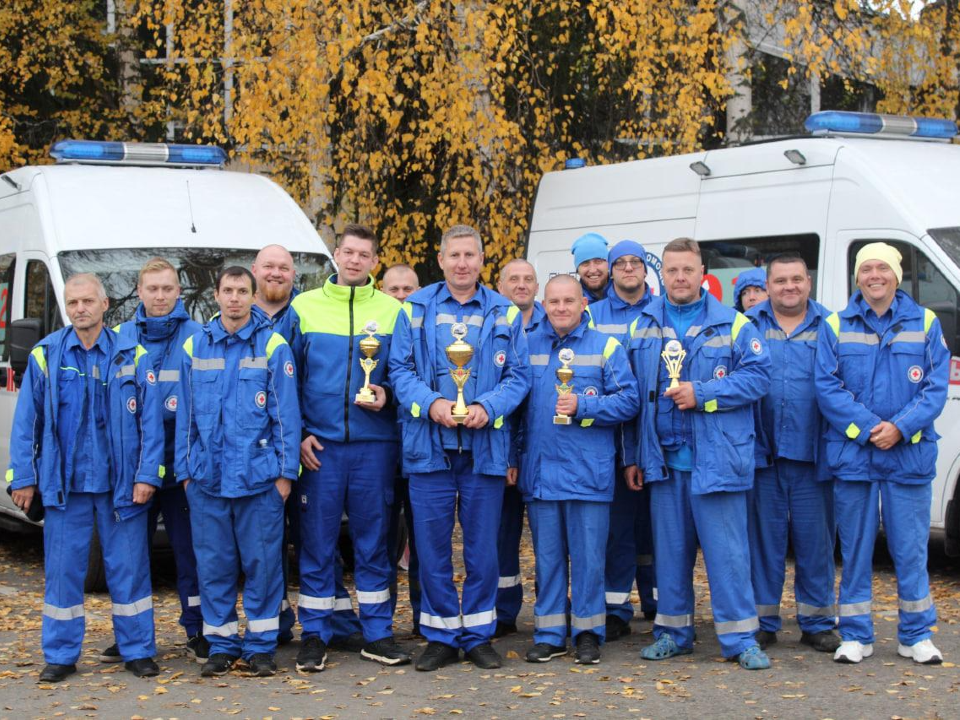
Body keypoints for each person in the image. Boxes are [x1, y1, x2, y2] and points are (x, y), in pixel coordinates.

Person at [8, 274, 164, 682]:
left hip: (122, 486)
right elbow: (27, 423)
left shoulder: (133, 354)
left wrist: (148, 475)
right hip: (65, 487)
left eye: (87, 301)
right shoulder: (47, 355)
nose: (80, 308)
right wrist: (23, 478)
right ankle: (60, 655)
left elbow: (151, 424)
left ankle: (138, 650)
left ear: (104, 303)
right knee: (63, 574)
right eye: (73, 302)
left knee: (129, 571)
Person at [389, 224, 531, 671]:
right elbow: (399, 368)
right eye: (455, 256)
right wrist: (430, 403)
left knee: (481, 548)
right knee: (430, 546)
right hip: (429, 445)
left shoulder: (505, 311)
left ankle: (478, 634)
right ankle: (440, 634)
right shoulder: (415, 308)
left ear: (482, 260)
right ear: (441, 259)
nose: (463, 263)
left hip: (485, 446)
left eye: (470, 255)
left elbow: (520, 377)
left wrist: (488, 407)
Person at [627, 237, 772, 670]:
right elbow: (634, 396)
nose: (680, 277)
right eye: (672, 270)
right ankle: (673, 633)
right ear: (663, 274)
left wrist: (704, 394)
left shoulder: (734, 324)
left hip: (718, 461)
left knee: (728, 558)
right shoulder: (644, 324)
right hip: (665, 464)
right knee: (670, 557)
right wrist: (635, 455)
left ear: (702, 271)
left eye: (688, 269)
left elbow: (759, 378)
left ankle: (740, 640)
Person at [281, 224, 409, 671]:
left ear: (375, 260)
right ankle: (315, 634)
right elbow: (284, 378)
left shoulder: (394, 312)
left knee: (374, 543)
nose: (355, 260)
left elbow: (407, 373)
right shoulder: (303, 307)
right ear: (336, 255)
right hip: (321, 448)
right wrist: (297, 435)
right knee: (316, 543)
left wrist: (388, 395)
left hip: (376, 446)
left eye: (364, 254)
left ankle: (378, 633)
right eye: (348, 252)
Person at [815, 242, 950, 665]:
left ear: (896, 274)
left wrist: (901, 428)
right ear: (857, 277)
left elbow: (935, 387)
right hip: (855, 455)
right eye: (867, 269)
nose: (875, 275)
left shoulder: (925, 322)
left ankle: (915, 635)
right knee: (855, 549)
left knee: (910, 550)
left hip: (907, 455)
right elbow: (827, 386)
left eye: (883, 268)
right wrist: (868, 430)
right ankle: (856, 635)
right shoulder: (835, 325)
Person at [175, 266, 300, 677]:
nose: (234, 298)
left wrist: (285, 475)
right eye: (227, 290)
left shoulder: (274, 344)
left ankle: (261, 645)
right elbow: (185, 419)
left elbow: (286, 417)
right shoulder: (195, 346)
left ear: (252, 295)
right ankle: (222, 645)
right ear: (216, 295)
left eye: (242, 291)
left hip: (259, 480)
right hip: (207, 480)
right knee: (213, 566)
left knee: (263, 565)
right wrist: (186, 474)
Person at [513, 275, 639, 664]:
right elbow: (516, 411)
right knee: (547, 560)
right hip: (540, 472)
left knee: (588, 560)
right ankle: (550, 633)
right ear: (544, 304)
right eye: (554, 302)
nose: (562, 308)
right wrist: (510, 459)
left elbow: (630, 400)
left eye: (569, 301)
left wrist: (585, 407)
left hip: (589, 472)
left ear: (584, 303)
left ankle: (588, 632)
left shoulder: (606, 346)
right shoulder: (526, 345)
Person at [103, 259, 207, 665]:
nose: (160, 297)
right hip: (134, 469)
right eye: (152, 289)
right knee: (129, 556)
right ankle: (129, 636)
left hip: (179, 465)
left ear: (178, 291)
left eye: (167, 289)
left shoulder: (198, 336)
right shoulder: (119, 338)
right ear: (140, 292)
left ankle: (197, 630)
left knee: (190, 552)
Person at [745, 253, 839, 653]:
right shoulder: (746, 325)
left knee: (815, 542)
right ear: (767, 286)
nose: (789, 287)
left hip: (813, 452)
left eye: (796, 279)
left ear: (808, 283)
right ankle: (763, 621)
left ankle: (817, 621)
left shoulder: (831, 325)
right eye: (780, 280)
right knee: (763, 543)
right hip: (761, 453)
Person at [586, 240, 657, 641]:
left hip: (655, 436)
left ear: (646, 270)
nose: (629, 269)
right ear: (611, 272)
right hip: (607, 440)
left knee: (658, 530)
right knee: (616, 531)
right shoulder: (592, 316)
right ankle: (615, 609)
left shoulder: (660, 312)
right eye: (621, 263)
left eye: (636, 263)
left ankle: (660, 601)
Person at [492, 259, 546, 637]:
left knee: (551, 540)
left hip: (546, 452)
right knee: (503, 538)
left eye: (528, 279)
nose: (521, 285)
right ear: (500, 285)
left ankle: (552, 611)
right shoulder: (491, 324)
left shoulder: (558, 323)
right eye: (514, 279)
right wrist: (509, 453)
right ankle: (504, 612)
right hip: (502, 451)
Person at [381, 263, 423, 635]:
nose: (401, 296)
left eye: (408, 289)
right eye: (393, 289)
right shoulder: (373, 328)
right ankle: (383, 623)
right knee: (385, 541)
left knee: (423, 542)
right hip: (383, 452)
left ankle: (424, 619)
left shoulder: (424, 332)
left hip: (422, 450)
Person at [571, 232, 610, 304]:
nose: (592, 270)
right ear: (577, 270)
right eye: (585, 263)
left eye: (598, 261)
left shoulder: (624, 294)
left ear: (608, 264)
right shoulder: (571, 301)